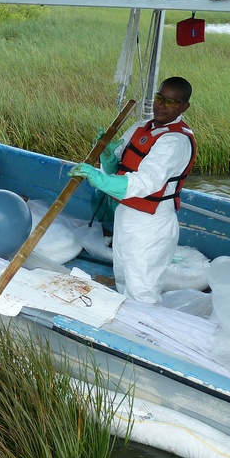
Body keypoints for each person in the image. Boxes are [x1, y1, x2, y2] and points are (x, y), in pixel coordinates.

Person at [73, 78, 196, 304]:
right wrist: (107, 155)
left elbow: (146, 182)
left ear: (183, 107)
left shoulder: (175, 141)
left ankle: (142, 331)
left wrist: (100, 180)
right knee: (122, 274)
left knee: (142, 289)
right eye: (159, 98)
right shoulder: (141, 126)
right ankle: (125, 319)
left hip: (151, 223)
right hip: (126, 214)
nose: (161, 105)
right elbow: (118, 162)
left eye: (170, 102)